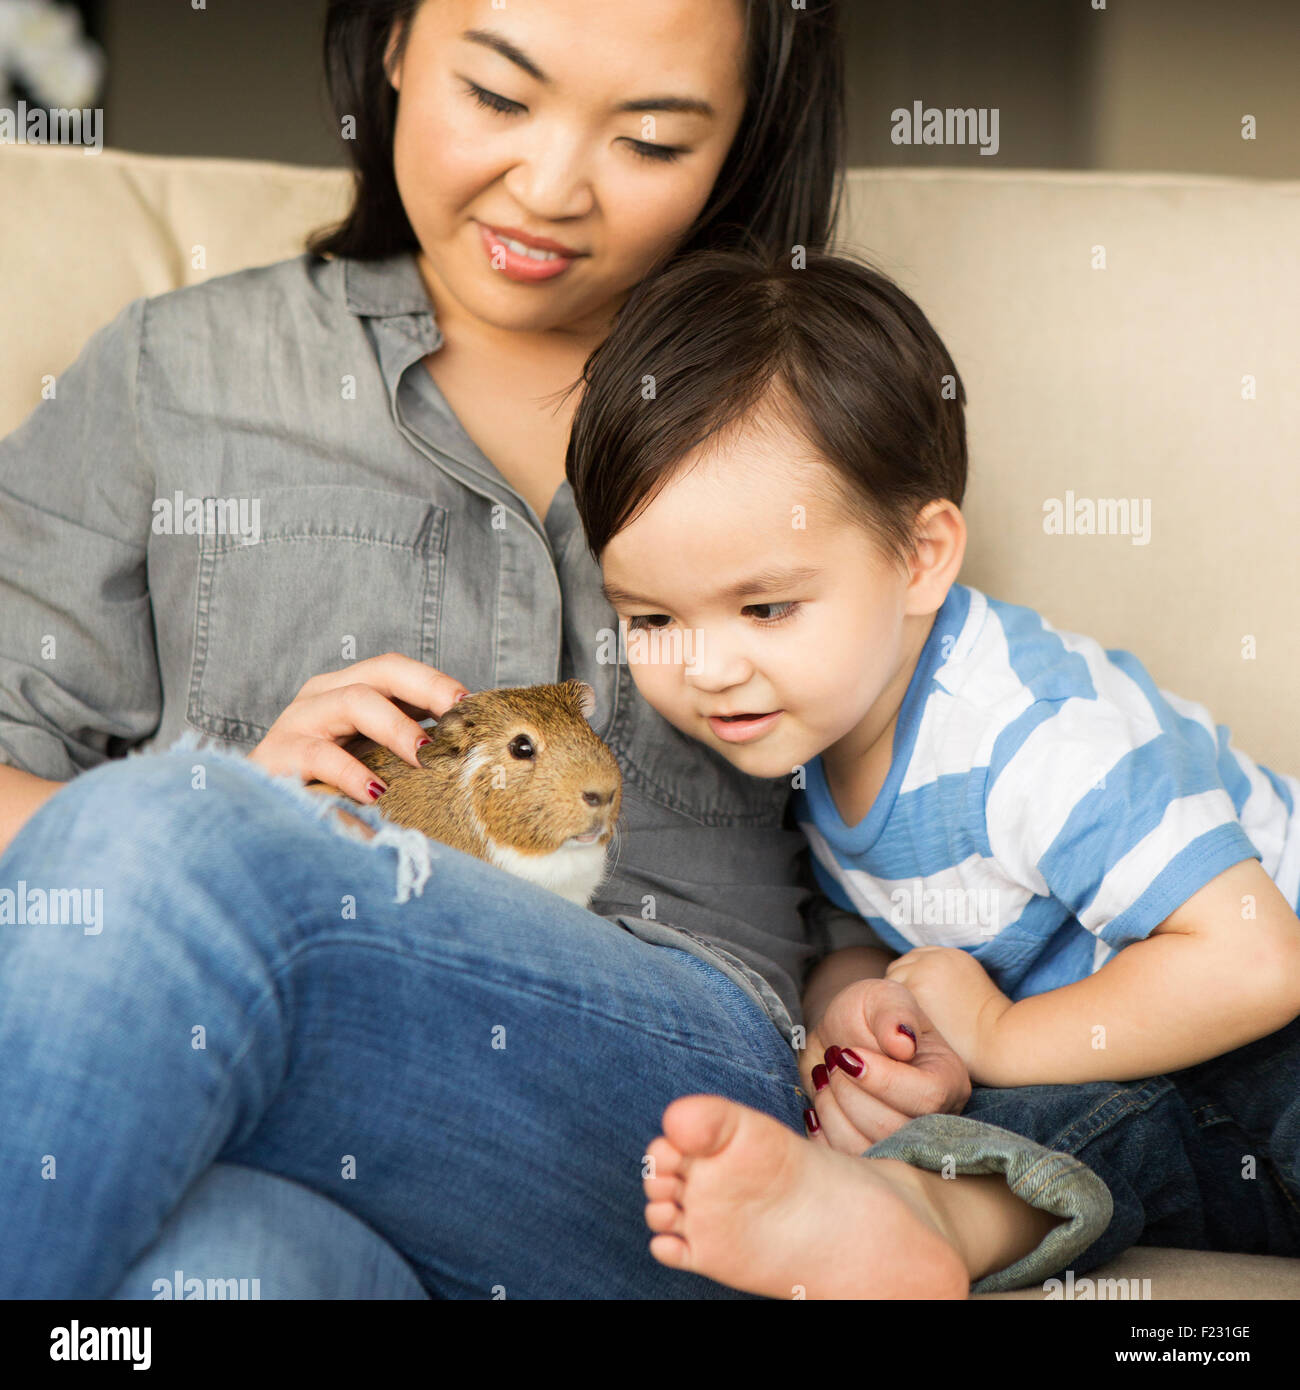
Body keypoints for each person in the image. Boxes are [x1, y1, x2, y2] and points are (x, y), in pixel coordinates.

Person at [0, 0, 1110, 1299]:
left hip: (666, 1116)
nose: (548, 187)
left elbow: (909, 821)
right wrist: (238, 818)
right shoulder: (175, 375)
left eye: (648, 139)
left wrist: (880, 1013)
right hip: (280, 1125)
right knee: (219, 1266)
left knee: (172, 838)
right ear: (398, 44)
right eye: (500, 95)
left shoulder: (802, 397)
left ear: (742, 136)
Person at [563, 245, 1300, 1298]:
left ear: (919, 557)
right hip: (1148, 1068)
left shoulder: (1031, 738)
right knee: (1024, 1134)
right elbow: (871, 920)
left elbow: (1255, 960)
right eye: (651, 617)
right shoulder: (802, 728)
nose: (708, 667)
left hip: (1271, 1004)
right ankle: (903, 1221)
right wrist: (858, 1005)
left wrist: (995, 1031)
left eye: (765, 606)